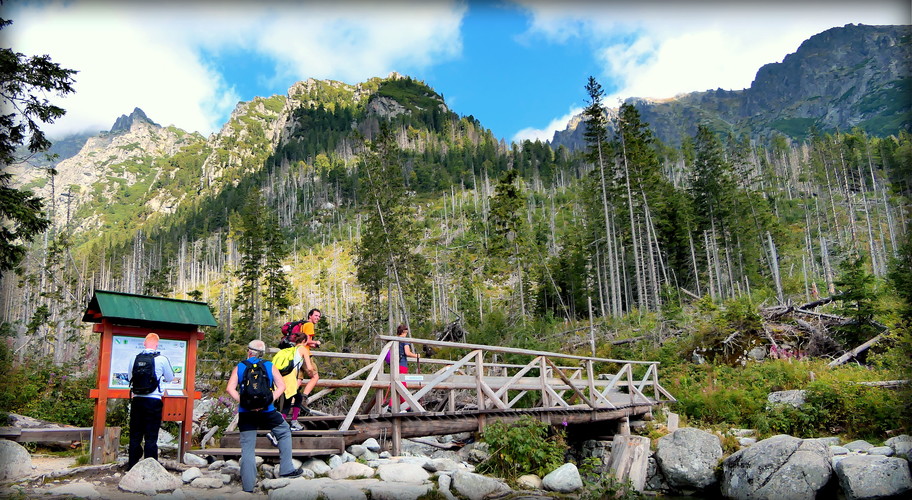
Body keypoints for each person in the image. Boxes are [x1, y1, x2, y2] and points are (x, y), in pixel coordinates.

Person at [226, 340, 303, 492]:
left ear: (249, 351)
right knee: (284, 431)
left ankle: (248, 487)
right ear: (262, 353)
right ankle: (287, 468)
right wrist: (268, 400)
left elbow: (230, 389)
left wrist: (244, 402)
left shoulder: (240, 367)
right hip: (267, 411)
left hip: (246, 413)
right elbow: (282, 386)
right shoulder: (269, 365)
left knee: (248, 448)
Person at [126, 332, 179, 470]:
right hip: (154, 400)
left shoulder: (134, 358)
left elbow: (130, 376)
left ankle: (132, 465)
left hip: (137, 400)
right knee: (151, 435)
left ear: (144, 343)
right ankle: (150, 467)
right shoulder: (162, 359)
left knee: (135, 434)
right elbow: (169, 377)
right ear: (157, 344)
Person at [295, 308, 321, 418]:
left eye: (319, 316)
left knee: (299, 380)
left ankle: (291, 401)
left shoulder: (302, 325)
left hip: (296, 354)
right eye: (316, 315)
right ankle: (303, 398)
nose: (317, 318)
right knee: (315, 376)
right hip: (304, 355)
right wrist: (316, 342)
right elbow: (308, 341)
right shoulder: (309, 325)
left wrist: (312, 344)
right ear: (310, 316)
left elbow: (303, 340)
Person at [388, 324, 420, 409]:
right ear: (404, 331)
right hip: (402, 364)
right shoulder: (404, 340)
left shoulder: (394, 340)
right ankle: (407, 407)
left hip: (394, 365)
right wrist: (416, 355)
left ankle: (394, 405)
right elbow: (407, 353)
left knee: (398, 385)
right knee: (402, 386)